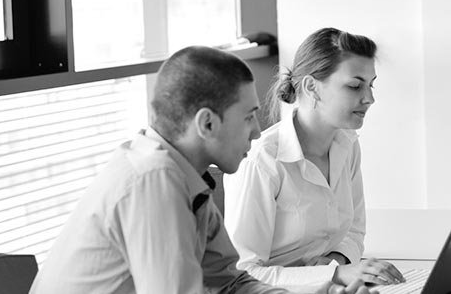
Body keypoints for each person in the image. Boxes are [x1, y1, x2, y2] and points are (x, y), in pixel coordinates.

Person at [30, 46, 371, 294]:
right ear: (207, 123)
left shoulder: (187, 179)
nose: (256, 131)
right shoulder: (153, 180)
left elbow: (231, 284)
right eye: (248, 117)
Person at [224, 28, 405, 292]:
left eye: (371, 84)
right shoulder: (263, 161)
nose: (369, 98)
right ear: (312, 87)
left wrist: (337, 263)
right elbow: (243, 274)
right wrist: (335, 274)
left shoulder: (348, 143)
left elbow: (354, 231)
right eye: (355, 85)